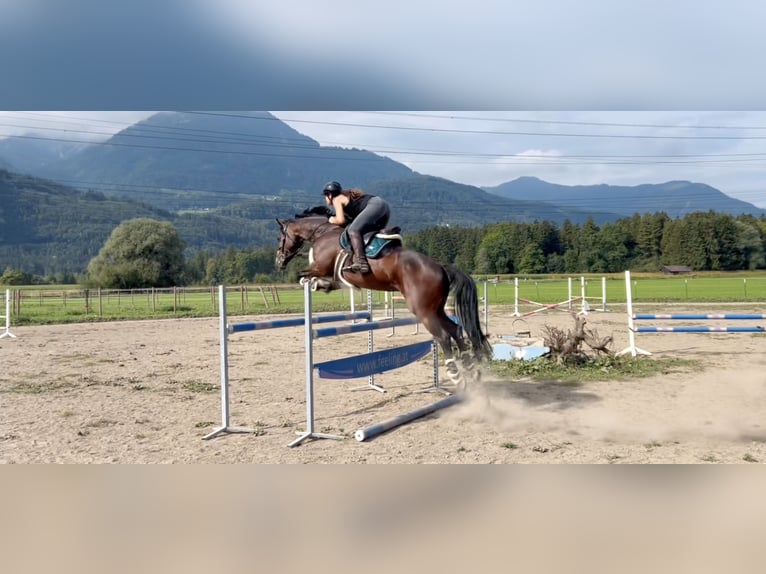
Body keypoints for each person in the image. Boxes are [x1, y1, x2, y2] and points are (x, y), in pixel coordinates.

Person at [322, 181, 391, 274]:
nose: (325, 199)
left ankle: (361, 262)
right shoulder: (346, 195)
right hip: (384, 206)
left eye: (325, 196)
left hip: (374, 206)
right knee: (370, 233)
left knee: (353, 230)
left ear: (329, 195)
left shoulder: (336, 199)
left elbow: (340, 220)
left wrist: (331, 219)